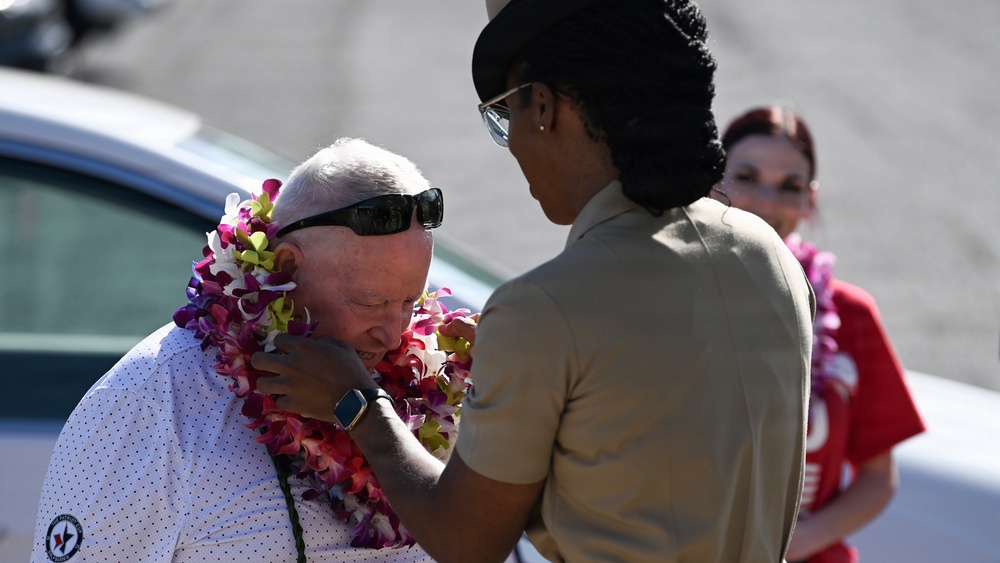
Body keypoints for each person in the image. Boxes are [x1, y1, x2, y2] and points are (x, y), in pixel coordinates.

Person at [252, 1, 816, 561]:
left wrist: (358, 405)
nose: (513, 143)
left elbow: (467, 540)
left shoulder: (545, 308)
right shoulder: (768, 255)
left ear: (543, 106)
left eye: (508, 116)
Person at [32, 138, 443, 562]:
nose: (394, 335)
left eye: (410, 301)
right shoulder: (146, 405)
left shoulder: (424, 390)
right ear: (285, 267)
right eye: (370, 303)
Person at [715, 105, 926, 563]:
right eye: (746, 177)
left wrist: (791, 547)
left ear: (810, 200)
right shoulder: (669, 299)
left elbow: (877, 477)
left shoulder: (850, 315)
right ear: (711, 184)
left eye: (790, 186)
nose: (768, 200)